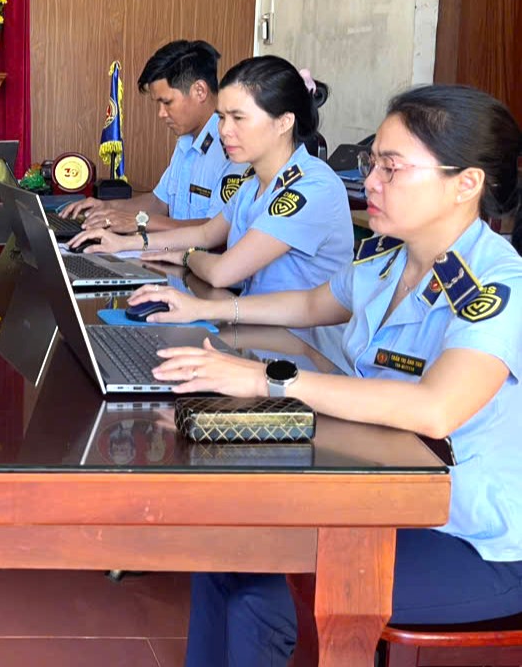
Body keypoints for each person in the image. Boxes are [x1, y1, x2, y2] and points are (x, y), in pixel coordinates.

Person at [125, 84, 522, 665]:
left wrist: (266, 380)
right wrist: (204, 309)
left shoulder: (497, 286)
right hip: (381, 496)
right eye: (371, 163)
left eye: (392, 168)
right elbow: (311, 304)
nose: (371, 183)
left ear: (466, 183)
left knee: (264, 597)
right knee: (222, 551)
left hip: (471, 537)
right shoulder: (389, 260)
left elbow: (435, 409)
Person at [68, 55, 352, 296]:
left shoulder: (312, 186)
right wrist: (124, 243)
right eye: (222, 117)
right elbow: (205, 234)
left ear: (284, 122)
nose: (224, 130)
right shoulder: (253, 185)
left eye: (238, 118)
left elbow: (221, 272)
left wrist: (185, 256)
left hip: (295, 340)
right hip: (251, 321)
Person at [59, 40, 245, 232]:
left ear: (200, 91)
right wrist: (106, 207)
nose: (161, 113)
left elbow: (216, 231)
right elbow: (159, 202)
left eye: (167, 102)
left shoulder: (233, 146)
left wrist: (139, 222)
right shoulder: (187, 140)